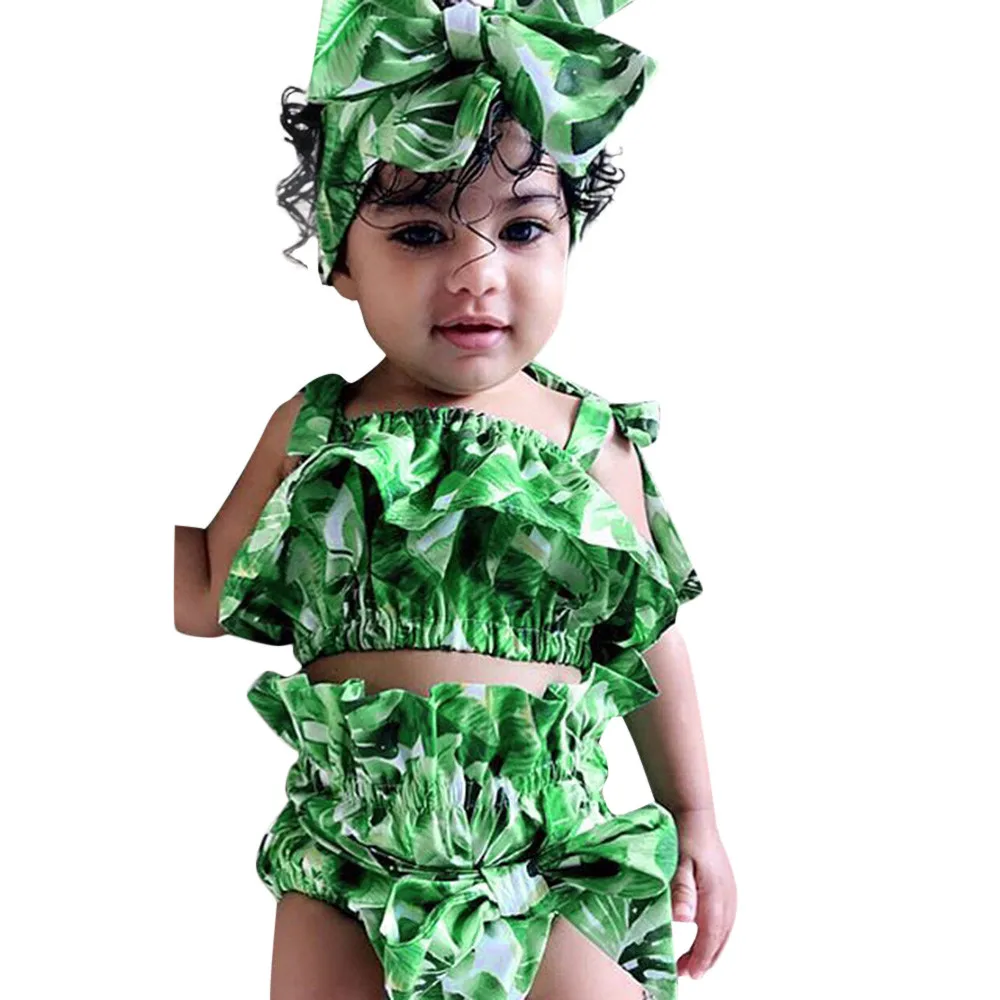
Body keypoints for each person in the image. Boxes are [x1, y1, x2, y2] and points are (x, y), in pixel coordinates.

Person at [174, 1, 737, 997]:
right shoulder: (314, 432)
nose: (477, 273)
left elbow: (650, 640)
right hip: (347, 847)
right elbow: (207, 588)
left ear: (571, 239)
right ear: (340, 257)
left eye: (522, 228)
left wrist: (695, 815)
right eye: (422, 232)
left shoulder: (589, 444)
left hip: (547, 847)